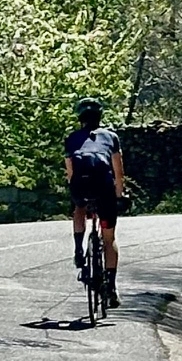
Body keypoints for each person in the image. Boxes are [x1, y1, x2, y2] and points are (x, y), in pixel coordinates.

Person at [64, 96, 125, 307]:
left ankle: (79, 250)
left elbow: (70, 173)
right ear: (100, 117)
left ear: (80, 118)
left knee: (79, 207)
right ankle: (111, 286)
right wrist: (119, 195)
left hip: (82, 186)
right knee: (109, 239)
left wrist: (75, 194)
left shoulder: (71, 139)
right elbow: (118, 172)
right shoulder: (111, 137)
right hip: (104, 187)